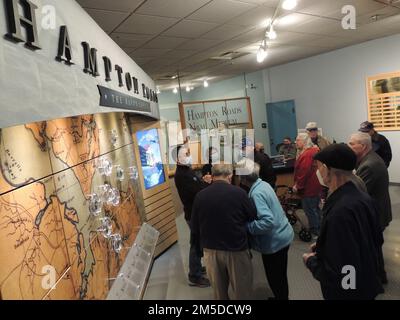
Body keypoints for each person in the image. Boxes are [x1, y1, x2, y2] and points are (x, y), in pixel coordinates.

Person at [303, 143, 384, 300]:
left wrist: (311, 261)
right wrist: (324, 245)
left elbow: (345, 271)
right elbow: (374, 239)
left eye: (318, 167)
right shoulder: (364, 198)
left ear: (327, 169)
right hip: (367, 280)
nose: (317, 171)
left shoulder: (339, 212)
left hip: (348, 292)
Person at [191, 164, 257, 300]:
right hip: (236, 249)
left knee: (219, 294)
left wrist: (199, 249)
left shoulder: (200, 196)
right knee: (242, 292)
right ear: (230, 176)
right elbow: (252, 215)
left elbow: (195, 226)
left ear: (212, 176)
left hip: (210, 250)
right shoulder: (239, 193)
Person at [239, 159, 294, 300]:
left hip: (274, 242)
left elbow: (267, 222)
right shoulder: (264, 184)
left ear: (243, 179)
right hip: (283, 235)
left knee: (275, 277)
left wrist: (247, 227)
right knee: (281, 275)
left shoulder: (256, 194)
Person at [348, 132, 392, 284]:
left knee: (372, 247)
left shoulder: (369, 165)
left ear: (364, 146)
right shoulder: (368, 159)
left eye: (352, 143)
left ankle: (377, 279)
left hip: (375, 214)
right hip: (377, 210)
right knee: (374, 246)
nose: (349, 146)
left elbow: (357, 193)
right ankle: (379, 276)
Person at [174, 145, 211, 287]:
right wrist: (207, 184)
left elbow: (197, 184)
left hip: (196, 213)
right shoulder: (182, 175)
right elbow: (197, 192)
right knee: (196, 244)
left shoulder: (187, 171)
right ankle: (194, 275)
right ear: (177, 159)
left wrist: (203, 180)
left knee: (197, 242)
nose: (188, 155)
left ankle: (196, 268)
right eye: (185, 154)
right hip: (193, 214)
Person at [293, 133, 322, 239]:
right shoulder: (313, 151)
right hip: (315, 185)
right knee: (315, 208)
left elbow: (304, 172)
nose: (295, 142)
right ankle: (321, 228)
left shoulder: (307, 154)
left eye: (298, 140)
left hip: (308, 187)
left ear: (304, 141)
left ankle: (316, 232)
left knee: (310, 210)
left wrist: (298, 186)